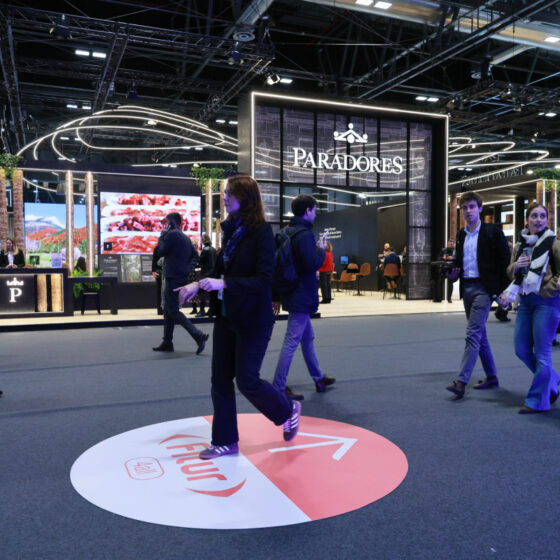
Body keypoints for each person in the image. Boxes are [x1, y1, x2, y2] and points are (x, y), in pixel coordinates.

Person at [175, 175, 301, 459]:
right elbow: (221, 271)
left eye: (230, 194)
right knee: (220, 381)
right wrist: (196, 285)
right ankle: (225, 441)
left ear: (246, 198)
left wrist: (225, 284)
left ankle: (288, 410)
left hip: (254, 318)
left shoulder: (262, 232)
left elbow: (263, 279)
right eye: (225, 193)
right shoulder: (231, 230)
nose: (225, 198)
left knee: (247, 380)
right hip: (226, 316)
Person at [445, 191, 510, 399]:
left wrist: (503, 290)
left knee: (472, 334)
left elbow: (505, 262)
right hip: (467, 288)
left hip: (484, 289)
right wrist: (452, 275)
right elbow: (459, 263)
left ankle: (461, 381)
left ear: (480, 208)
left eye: (472, 207)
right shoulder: (461, 235)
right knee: (480, 336)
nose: (468, 211)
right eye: (464, 208)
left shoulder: (493, 232)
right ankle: (492, 377)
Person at [272, 194, 336, 401]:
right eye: (315, 211)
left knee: (307, 338)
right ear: (307, 211)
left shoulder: (286, 232)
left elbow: (277, 266)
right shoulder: (305, 234)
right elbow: (311, 265)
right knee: (292, 341)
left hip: (290, 291)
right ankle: (278, 386)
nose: (315, 214)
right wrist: (321, 251)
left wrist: (276, 295)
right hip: (302, 294)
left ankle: (318, 378)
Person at [499, 203, 560, 414]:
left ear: (547, 220)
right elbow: (510, 271)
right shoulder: (521, 244)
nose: (539, 220)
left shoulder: (553, 243)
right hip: (525, 301)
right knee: (522, 350)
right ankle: (551, 379)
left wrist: (552, 286)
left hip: (547, 302)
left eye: (543, 216)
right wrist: (517, 266)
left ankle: (537, 401)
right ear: (527, 220)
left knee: (542, 353)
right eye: (534, 216)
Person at [152, 212, 209, 354]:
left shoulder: (171, 235)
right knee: (168, 310)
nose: (165, 225)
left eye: (166, 222)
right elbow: (195, 256)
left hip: (172, 277)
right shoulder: (185, 237)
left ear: (171, 223)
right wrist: (187, 269)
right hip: (179, 277)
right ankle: (167, 342)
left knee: (172, 310)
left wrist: (161, 236)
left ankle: (198, 335)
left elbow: (161, 252)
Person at [197, 233, 217, 316]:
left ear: (203, 240)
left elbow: (200, 261)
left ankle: (202, 310)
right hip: (213, 273)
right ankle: (211, 310)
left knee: (202, 292)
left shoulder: (205, 249)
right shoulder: (214, 249)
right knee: (212, 293)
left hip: (205, 273)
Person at [151, 244, 163, 315]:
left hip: (169, 271)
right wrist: (153, 271)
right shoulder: (157, 247)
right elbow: (154, 259)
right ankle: (160, 310)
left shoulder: (172, 246)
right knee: (160, 291)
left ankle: (167, 309)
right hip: (159, 272)